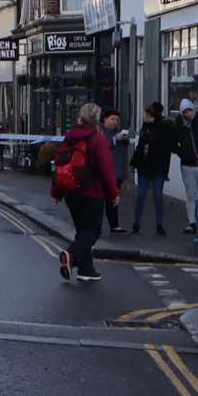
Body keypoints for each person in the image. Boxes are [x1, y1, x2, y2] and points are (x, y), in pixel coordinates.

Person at [54, 102, 119, 283]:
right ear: (97, 119)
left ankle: (86, 270)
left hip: (70, 192)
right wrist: (113, 194)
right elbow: (106, 170)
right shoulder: (97, 139)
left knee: (82, 230)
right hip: (91, 192)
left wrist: (57, 192)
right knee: (92, 232)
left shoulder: (70, 136)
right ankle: (71, 256)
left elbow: (60, 163)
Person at [129, 101, 176, 235]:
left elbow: (165, 148)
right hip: (147, 165)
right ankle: (138, 223)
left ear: (152, 114)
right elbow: (140, 145)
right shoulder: (147, 125)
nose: (144, 115)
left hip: (156, 166)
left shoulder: (164, 127)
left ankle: (157, 225)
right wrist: (134, 162)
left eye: (146, 113)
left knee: (156, 195)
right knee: (143, 194)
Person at [176, 98, 198, 233]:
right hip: (188, 164)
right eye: (185, 112)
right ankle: (192, 222)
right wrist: (182, 153)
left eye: (190, 110)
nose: (188, 114)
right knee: (191, 194)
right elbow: (173, 142)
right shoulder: (179, 125)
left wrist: (197, 118)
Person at [102, 109, 131, 233]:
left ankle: (115, 225)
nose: (115, 122)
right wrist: (114, 139)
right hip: (106, 172)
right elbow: (102, 148)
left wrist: (125, 139)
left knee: (114, 199)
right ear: (105, 119)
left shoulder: (118, 132)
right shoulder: (101, 132)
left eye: (117, 120)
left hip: (118, 172)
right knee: (103, 200)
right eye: (112, 119)